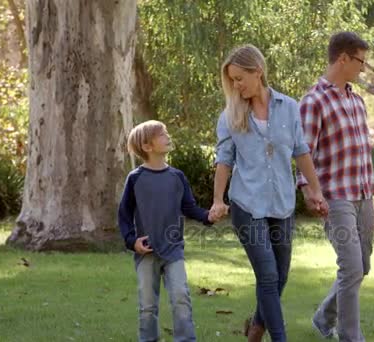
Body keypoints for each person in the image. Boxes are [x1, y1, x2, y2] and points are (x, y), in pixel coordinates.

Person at [210, 44, 326, 342]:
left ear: (257, 71)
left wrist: (315, 190)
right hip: (247, 204)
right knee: (268, 275)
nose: (236, 85)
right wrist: (218, 200)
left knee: (280, 277)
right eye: (232, 80)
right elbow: (224, 160)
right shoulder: (230, 115)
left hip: (282, 203)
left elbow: (301, 151)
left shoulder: (288, 107)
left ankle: (255, 331)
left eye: (239, 78)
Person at [296, 31, 374, 342]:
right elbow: (303, 152)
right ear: (343, 58)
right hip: (335, 197)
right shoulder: (313, 101)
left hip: (363, 194)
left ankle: (323, 317)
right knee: (352, 267)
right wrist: (308, 191)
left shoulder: (356, 100)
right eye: (360, 61)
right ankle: (350, 337)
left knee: (362, 267)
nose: (363, 68)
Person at [118, 120, 219, 342]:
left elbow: (189, 207)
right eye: (162, 134)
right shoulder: (135, 179)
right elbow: (124, 215)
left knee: (181, 298)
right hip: (146, 252)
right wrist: (132, 241)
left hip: (173, 250)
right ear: (147, 146)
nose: (167, 136)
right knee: (147, 306)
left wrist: (208, 217)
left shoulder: (177, 177)